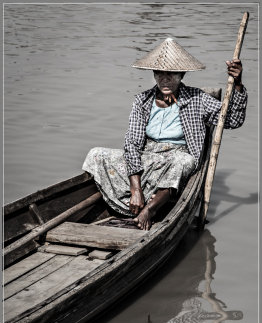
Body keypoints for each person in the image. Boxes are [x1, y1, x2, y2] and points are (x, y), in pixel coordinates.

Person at [82, 38, 247, 230]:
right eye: (160, 73)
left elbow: (233, 120)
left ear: (182, 75)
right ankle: (135, 197)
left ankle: (149, 210)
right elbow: (132, 144)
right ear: (154, 74)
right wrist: (136, 189)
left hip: (177, 157)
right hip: (148, 157)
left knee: (182, 162)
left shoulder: (197, 99)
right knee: (96, 154)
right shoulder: (142, 100)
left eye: (172, 74)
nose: (165, 79)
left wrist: (238, 84)